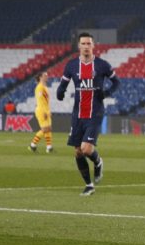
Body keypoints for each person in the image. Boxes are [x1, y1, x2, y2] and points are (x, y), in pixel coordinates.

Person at [56, 32, 120, 196]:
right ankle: (89, 185)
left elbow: (117, 82)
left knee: (85, 149)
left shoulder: (101, 65)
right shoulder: (71, 65)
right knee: (77, 151)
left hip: (95, 113)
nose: (86, 46)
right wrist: (60, 92)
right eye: (83, 43)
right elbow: (63, 83)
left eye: (88, 43)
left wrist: (106, 93)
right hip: (77, 115)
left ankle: (98, 162)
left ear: (93, 46)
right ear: (79, 46)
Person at [29, 71, 53, 153]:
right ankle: (32, 145)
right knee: (45, 128)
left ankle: (49, 147)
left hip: (46, 110)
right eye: (45, 75)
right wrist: (45, 112)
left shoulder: (44, 87)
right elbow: (40, 102)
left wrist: (48, 110)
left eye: (47, 75)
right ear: (40, 77)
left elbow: (46, 101)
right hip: (42, 111)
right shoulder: (39, 88)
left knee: (48, 128)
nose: (47, 76)